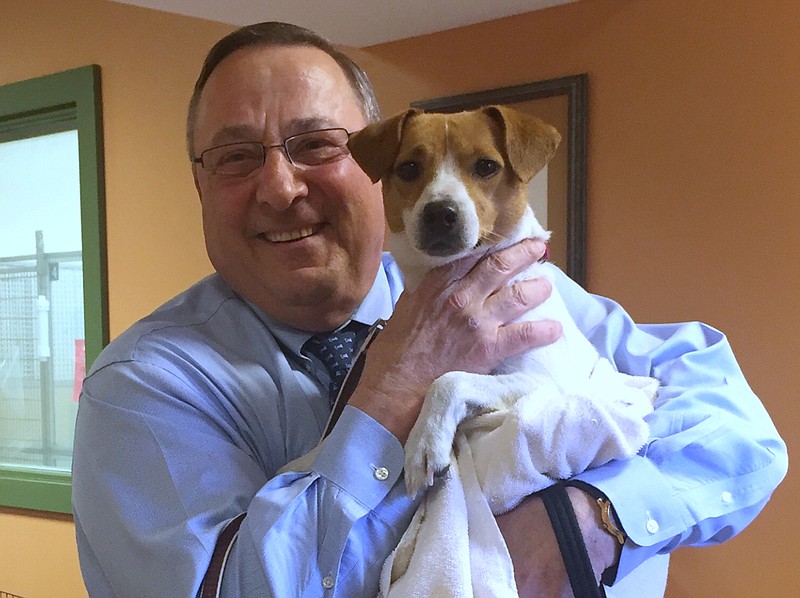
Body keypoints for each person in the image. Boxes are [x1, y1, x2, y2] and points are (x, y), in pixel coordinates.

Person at [72, 21, 787, 597]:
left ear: (366, 162)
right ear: (198, 183)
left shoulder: (503, 281)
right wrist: (388, 394)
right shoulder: (142, 388)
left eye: (318, 145)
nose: (282, 187)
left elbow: (736, 426)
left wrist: (595, 518)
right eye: (234, 156)